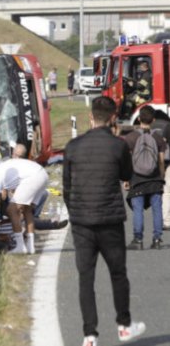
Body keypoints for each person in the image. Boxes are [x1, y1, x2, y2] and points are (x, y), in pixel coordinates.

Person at [64, 96, 145, 346]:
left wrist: (75, 212)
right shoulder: (118, 145)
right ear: (113, 118)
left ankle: (89, 336)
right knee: (118, 273)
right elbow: (125, 174)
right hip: (110, 220)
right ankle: (123, 325)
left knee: (86, 278)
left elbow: (67, 188)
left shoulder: (73, 146)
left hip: (82, 223)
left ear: (91, 117)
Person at [0, 146, 48, 254]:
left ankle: (20, 246)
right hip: (43, 173)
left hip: (33, 177)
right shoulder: (2, 168)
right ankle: (30, 246)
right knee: (27, 210)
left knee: (11, 210)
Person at [124, 105, 165, 250]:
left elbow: (128, 161)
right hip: (154, 180)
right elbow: (161, 161)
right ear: (153, 120)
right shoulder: (158, 138)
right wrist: (161, 177)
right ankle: (157, 240)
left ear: (139, 119)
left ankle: (138, 240)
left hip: (137, 179)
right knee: (157, 209)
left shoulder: (131, 138)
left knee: (138, 210)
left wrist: (127, 179)